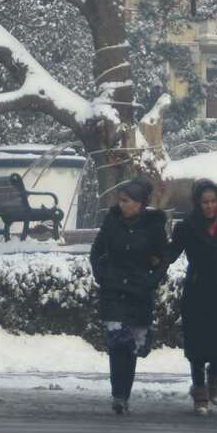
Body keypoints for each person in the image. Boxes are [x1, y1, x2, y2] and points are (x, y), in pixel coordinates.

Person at [165, 178, 217, 415]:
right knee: (197, 345)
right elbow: (172, 252)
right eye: (205, 202)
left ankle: (214, 383)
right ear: (198, 203)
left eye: (213, 201)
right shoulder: (187, 226)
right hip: (198, 290)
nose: (210, 206)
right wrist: (155, 259)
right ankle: (200, 391)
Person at [88, 175, 168, 415]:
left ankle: (125, 392)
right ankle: (118, 395)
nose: (122, 205)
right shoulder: (112, 222)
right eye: (120, 200)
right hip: (114, 291)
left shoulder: (153, 226)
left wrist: (150, 280)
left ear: (140, 203)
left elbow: (162, 258)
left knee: (131, 346)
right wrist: (102, 274)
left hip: (138, 292)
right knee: (116, 344)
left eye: (127, 200)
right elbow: (97, 251)